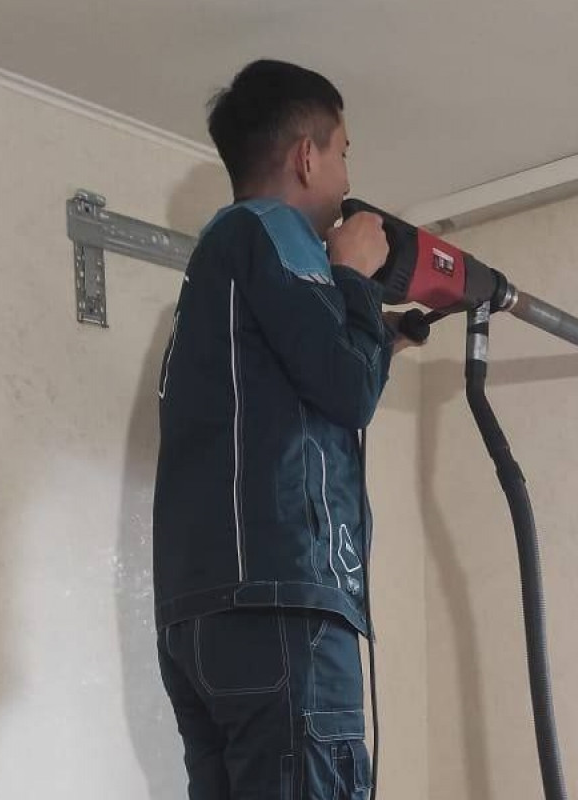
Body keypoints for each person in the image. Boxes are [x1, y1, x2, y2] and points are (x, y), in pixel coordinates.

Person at [151, 59, 419, 799]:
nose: (345, 176)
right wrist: (353, 277)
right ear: (307, 155)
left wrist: (374, 337)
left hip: (198, 617)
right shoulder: (276, 231)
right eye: (343, 154)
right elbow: (346, 391)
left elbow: (305, 385)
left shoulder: (219, 265)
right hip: (282, 605)